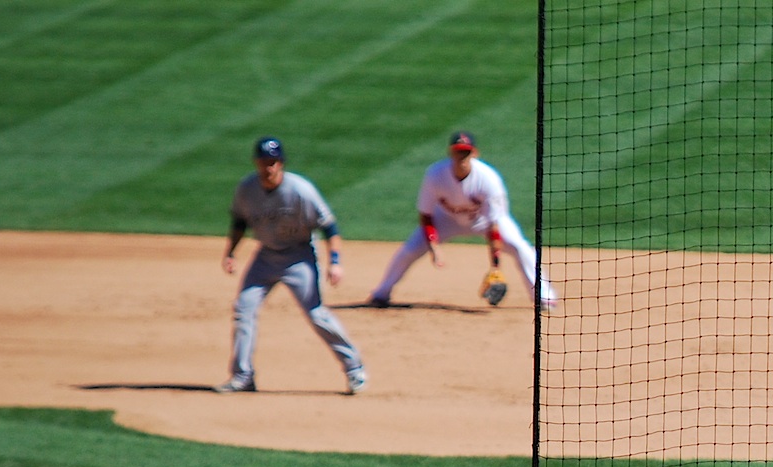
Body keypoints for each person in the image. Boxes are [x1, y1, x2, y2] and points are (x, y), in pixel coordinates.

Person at [217, 137, 365, 395]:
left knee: (317, 314)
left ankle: (355, 369)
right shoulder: (247, 189)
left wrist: (335, 262)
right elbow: (239, 221)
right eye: (264, 162)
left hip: (299, 256)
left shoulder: (300, 190)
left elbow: (329, 227)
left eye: (273, 162)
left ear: (281, 163)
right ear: (256, 163)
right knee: (244, 310)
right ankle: (242, 376)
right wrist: (231, 252)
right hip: (265, 257)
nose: (268, 167)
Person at [366, 131, 557, 311]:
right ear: (451, 153)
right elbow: (426, 216)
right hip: (445, 219)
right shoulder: (435, 175)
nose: (462, 157)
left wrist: (495, 267)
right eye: (458, 152)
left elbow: (494, 226)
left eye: (466, 152)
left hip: (483, 220)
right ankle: (382, 293)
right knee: (409, 250)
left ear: (475, 153)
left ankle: (544, 296)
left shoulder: (488, 179)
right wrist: (434, 247)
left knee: (520, 247)